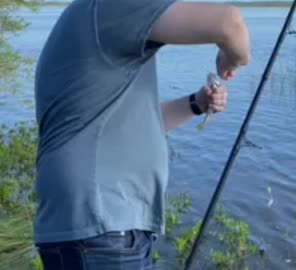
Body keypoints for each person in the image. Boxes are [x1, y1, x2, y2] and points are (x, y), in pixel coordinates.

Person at [32, 0, 250, 269]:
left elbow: (130, 125)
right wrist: (232, 60)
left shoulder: (90, 19)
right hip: (102, 226)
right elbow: (229, 24)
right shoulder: (111, 7)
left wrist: (196, 103)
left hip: (93, 227)